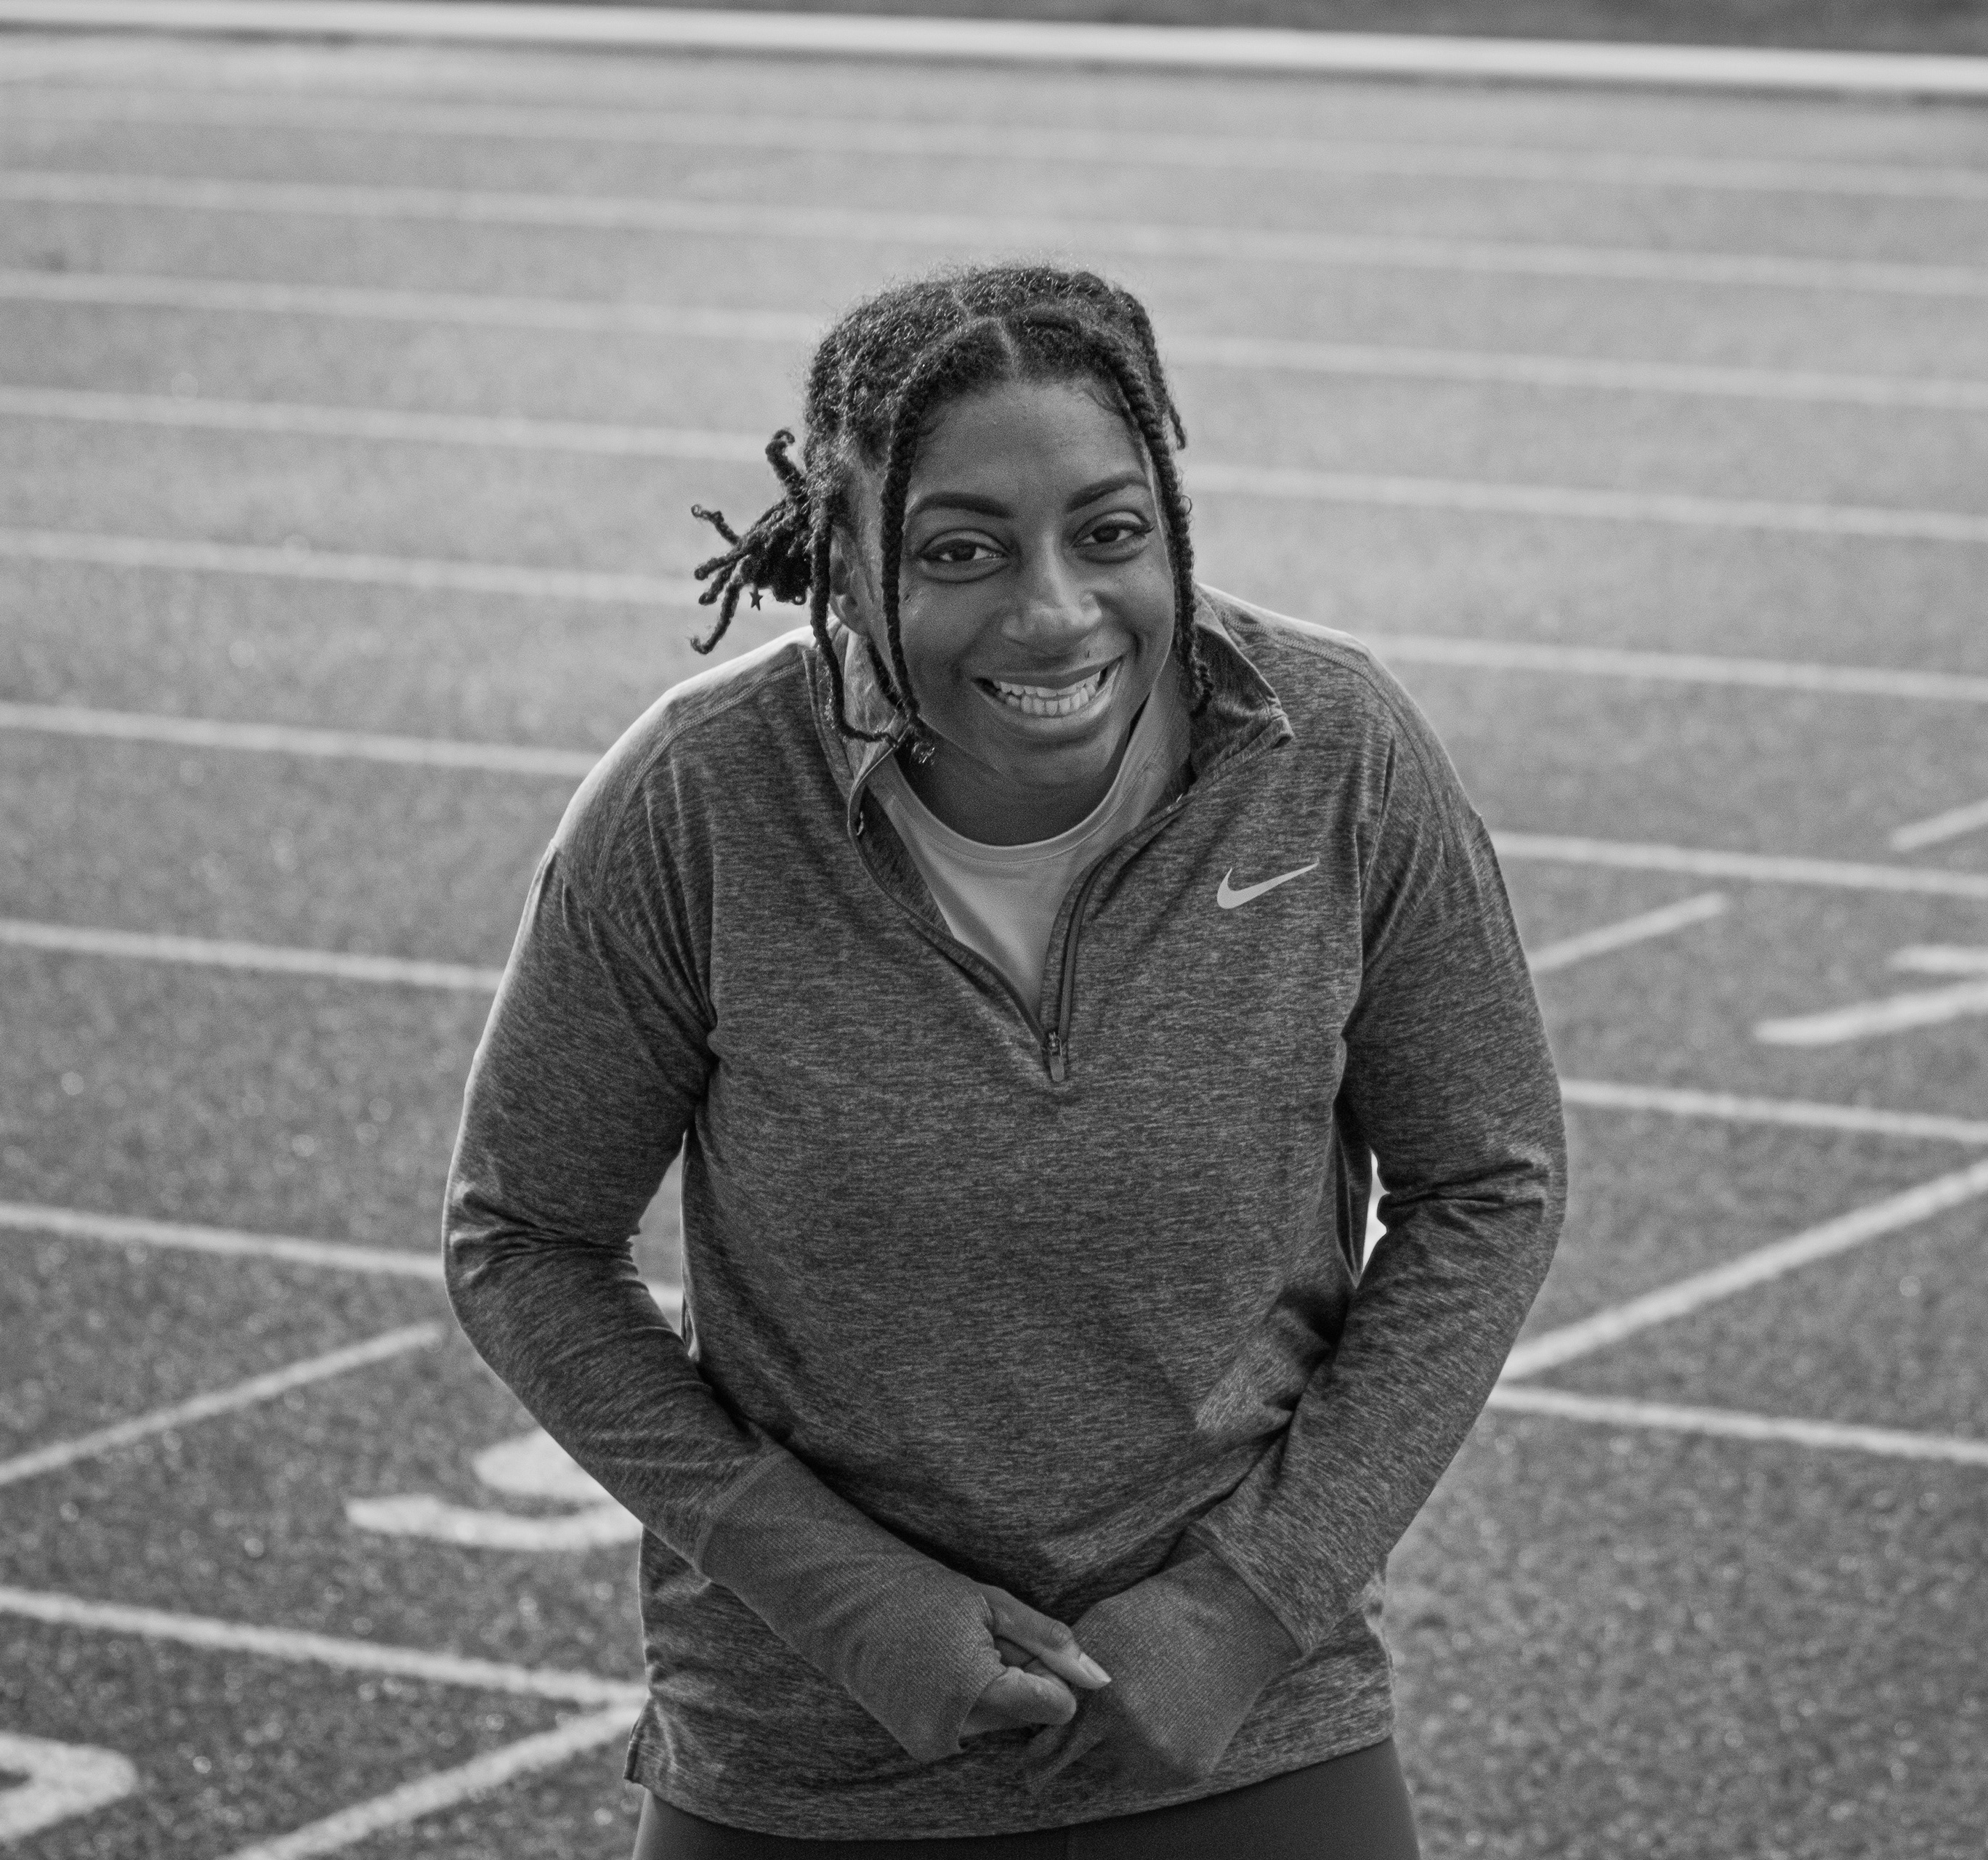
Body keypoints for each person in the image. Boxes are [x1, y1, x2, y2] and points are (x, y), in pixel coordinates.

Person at [441, 262, 1567, 1857]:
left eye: (1110, 532)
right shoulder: (695, 802)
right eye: (961, 550)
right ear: (841, 557)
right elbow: (523, 1240)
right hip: (807, 1765)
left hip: (1252, 1732)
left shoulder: (1335, 754)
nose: (1053, 611)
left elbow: (1490, 1183)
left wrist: (1248, 1604)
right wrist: (848, 1602)